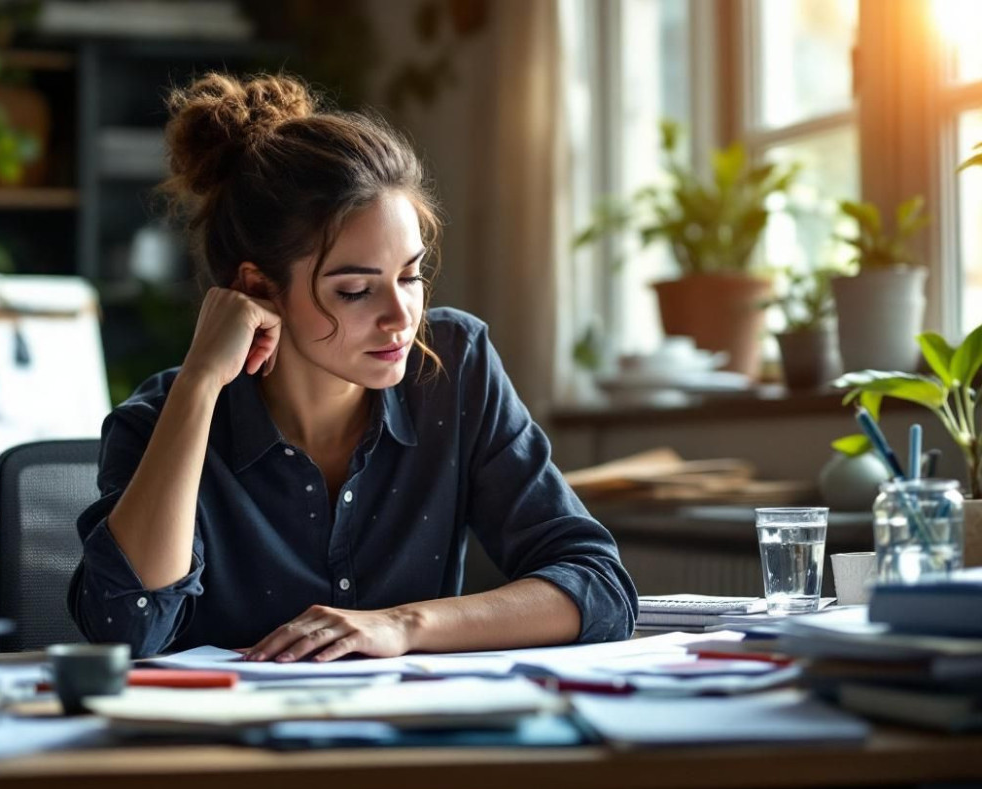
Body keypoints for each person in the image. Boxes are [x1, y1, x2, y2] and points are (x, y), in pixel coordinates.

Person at [69, 73, 636, 660]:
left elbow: (598, 588)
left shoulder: (456, 369)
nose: (401, 317)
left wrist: (404, 625)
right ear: (257, 288)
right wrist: (199, 383)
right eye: (356, 291)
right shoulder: (157, 421)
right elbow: (124, 630)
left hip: (412, 718)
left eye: (410, 276)